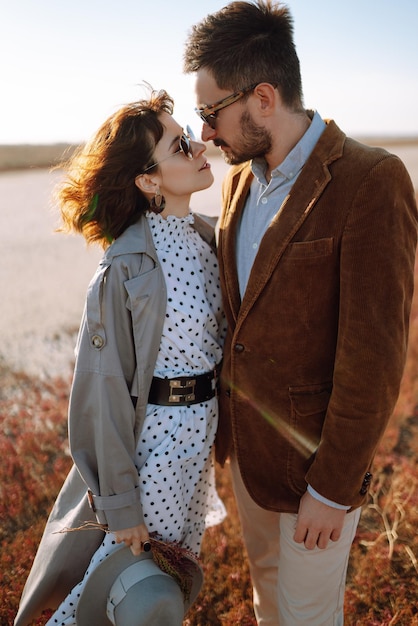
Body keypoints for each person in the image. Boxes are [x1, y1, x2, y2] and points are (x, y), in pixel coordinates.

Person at [183, 2, 418, 624]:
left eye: (211, 114)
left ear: (263, 96)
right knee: (267, 601)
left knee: (308, 616)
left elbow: (375, 358)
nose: (205, 132)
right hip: (251, 464)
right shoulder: (237, 180)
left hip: (316, 477)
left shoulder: (372, 180)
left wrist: (332, 489)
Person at [14, 88, 226, 626]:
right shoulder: (122, 269)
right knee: (119, 592)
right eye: (181, 145)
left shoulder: (206, 239)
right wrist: (121, 503)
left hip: (196, 448)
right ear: (148, 180)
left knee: (163, 587)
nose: (200, 145)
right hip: (150, 452)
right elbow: (100, 392)